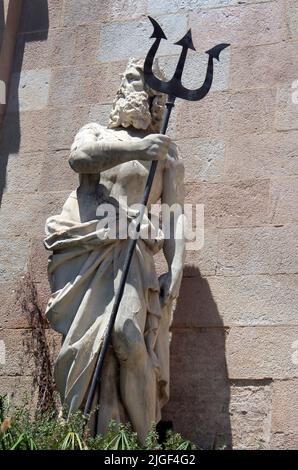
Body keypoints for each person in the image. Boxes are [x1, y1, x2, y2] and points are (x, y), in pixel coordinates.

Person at [44, 58, 185, 442]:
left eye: (143, 83)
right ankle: (80, 434)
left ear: (157, 100)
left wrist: (177, 267)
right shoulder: (94, 132)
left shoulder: (168, 156)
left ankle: (145, 443)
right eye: (129, 80)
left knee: (125, 333)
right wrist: (138, 148)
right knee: (83, 347)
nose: (133, 87)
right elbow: (80, 158)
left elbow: (174, 219)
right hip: (83, 248)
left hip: (131, 253)